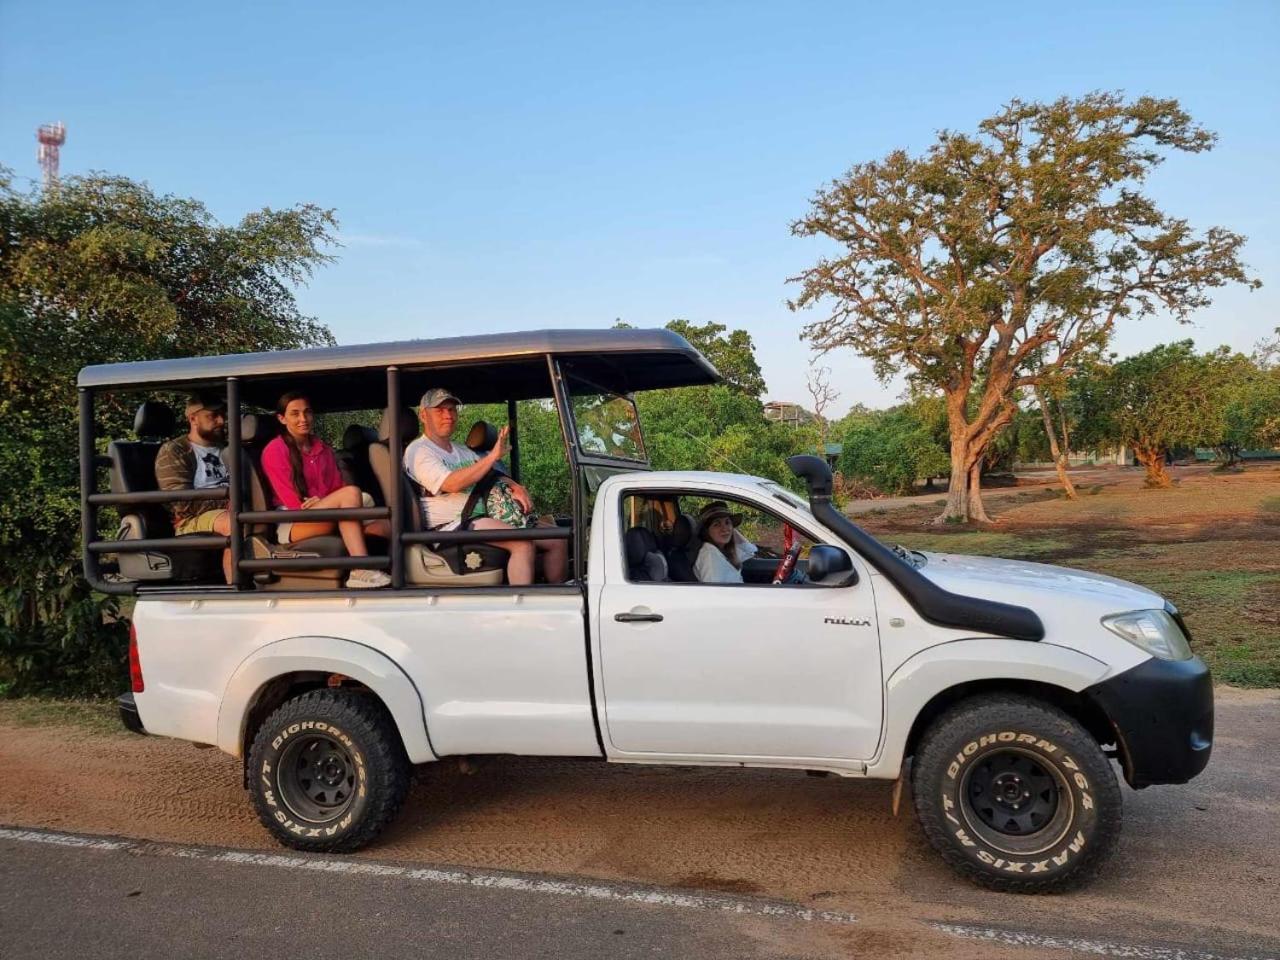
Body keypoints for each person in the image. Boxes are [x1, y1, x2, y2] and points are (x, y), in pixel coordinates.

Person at [403, 388, 567, 586]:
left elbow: (489, 475)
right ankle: (523, 606)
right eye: (439, 410)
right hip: (453, 525)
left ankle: (559, 596)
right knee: (522, 542)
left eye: (452, 410)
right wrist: (491, 457)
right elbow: (451, 483)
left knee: (556, 539)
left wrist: (516, 486)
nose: (448, 415)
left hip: (483, 515)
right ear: (423, 415)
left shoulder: (461, 450)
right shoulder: (419, 451)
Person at [261, 391, 392, 589]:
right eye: (295, 414)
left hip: (323, 511)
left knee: (386, 524)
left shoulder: (323, 449)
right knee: (352, 494)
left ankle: (403, 576)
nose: (303, 419)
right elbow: (293, 501)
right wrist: (323, 502)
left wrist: (323, 501)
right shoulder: (275, 450)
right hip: (295, 521)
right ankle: (359, 569)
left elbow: (336, 487)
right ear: (282, 418)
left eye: (307, 412)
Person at [155, 392, 233, 582]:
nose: (221, 421)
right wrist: (231, 501)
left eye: (222, 414)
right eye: (212, 416)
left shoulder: (229, 448)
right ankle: (237, 587)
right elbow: (182, 503)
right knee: (235, 522)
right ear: (193, 418)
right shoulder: (175, 450)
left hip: (231, 508)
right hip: (191, 520)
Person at [693, 500, 758, 584]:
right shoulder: (710, 555)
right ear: (706, 531)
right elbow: (714, 593)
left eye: (727, 522)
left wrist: (730, 529)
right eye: (717, 524)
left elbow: (750, 551)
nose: (724, 528)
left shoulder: (722, 549)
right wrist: (728, 528)